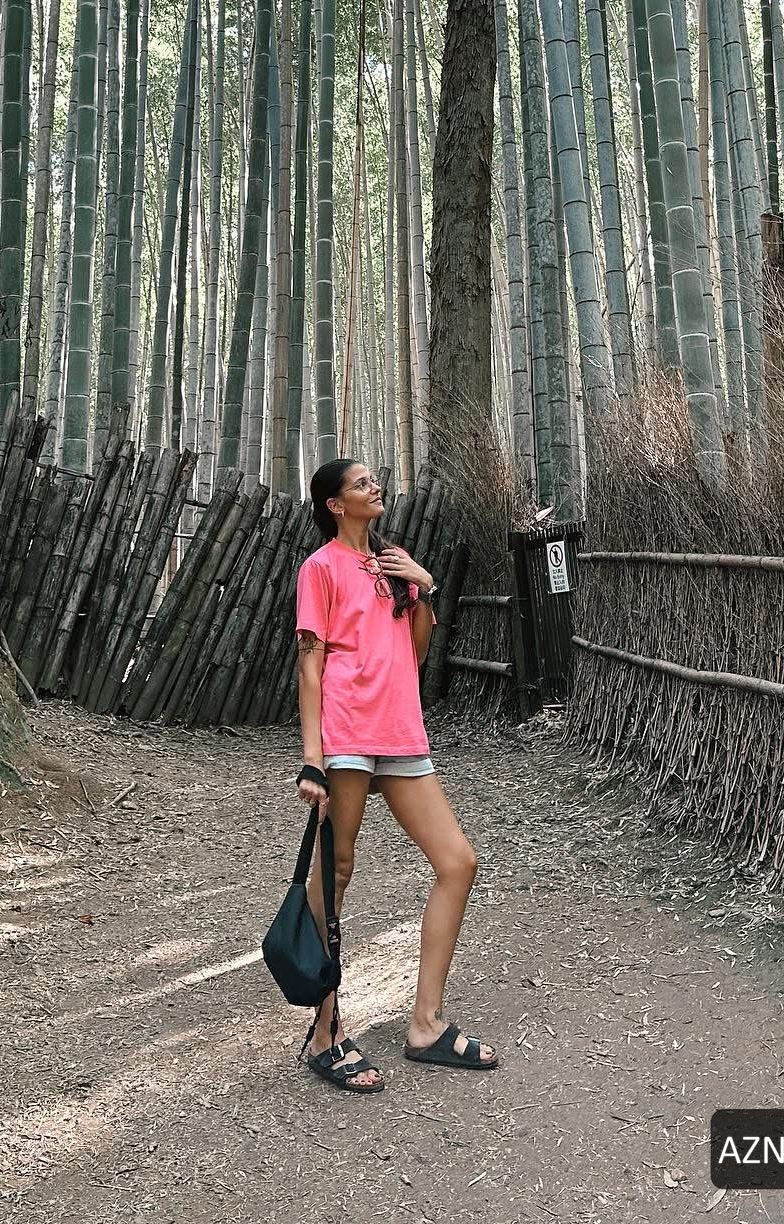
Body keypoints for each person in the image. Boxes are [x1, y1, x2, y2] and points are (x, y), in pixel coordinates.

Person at [291, 457, 500, 1094]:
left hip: (400, 730)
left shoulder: (394, 564)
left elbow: (414, 654)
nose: (374, 487)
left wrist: (424, 589)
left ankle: (426, 1025)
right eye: (360, 484)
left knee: (457, 862)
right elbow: (310, 665)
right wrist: (312, 758)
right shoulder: (320, 568)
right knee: (337, 871)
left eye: (372, 480)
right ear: (335, 504)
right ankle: (324, 1031)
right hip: (348, 733)